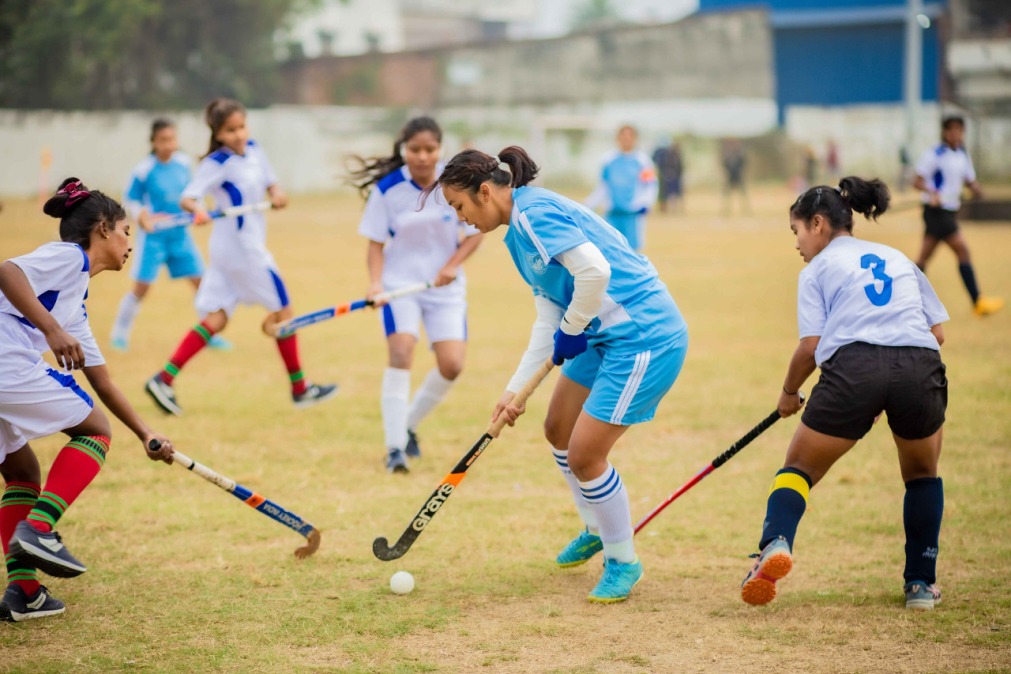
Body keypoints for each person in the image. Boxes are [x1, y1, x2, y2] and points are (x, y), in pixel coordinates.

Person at [430, 146, 688, 603]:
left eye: (459, 205)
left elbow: (595, 272)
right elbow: (550, 316)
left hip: (641, 334)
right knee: (558, 429)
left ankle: (623, 560)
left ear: (485, 192)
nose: (460, 218)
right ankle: (596, 527)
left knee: (586, 455)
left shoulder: (534, 214)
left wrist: (571, 330)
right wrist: (514, 390)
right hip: (597, 332)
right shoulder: (516, 235)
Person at [740, 177, 950, 611]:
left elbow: (811, 348)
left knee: (797, 469)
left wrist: (788, 393)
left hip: (855, 368)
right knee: (922, 476)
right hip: (919, 364)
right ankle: (920, 584)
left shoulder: (816, 270)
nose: (797, 243)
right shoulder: (898, 258)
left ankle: (775, 543)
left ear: (817, 223)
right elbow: (939, 333)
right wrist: (889, 387)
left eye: (797, 231)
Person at [0, 178, 175, 622]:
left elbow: (103, 381)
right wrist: (52, 331)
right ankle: (39, 528)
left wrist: (146, 433)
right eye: (126, 232)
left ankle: (25, 594)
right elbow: (7, 271)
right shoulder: (69, 257)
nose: (129, 243)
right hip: (6, 361)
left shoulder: (75, 301)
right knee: (94, 430)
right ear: (102, 229)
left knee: (21, 471)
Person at [144, 98, 336, 416]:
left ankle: (163, 379)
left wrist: (277, 194)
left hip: (234, 250)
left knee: (217, 318)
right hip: (242, 251)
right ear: (218, 134)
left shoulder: (255, 150)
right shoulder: (216, 163)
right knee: (285, 311)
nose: (239, 134)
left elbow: (272, 183)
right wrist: (199, 210)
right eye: (230, 130)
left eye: (242, 127)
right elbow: (188, 199)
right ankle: (300, 388)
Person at [349, 117, 483, 473]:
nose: (423, 157)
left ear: (440, 148)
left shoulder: (454, 182)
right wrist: (375, 284)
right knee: (401, 351)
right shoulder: (387, 189)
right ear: (403, 149)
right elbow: (375, 244)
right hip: (399, 287)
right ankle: (394, 449)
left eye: (430, 149)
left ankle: (406, 425)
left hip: (445, 289)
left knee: (452, 366)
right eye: (415, 149)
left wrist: (452, 265)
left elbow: (476, 233)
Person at [110, 118, 231, 352]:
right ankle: (120, 334)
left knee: (202, 284)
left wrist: (198, 211)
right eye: (163, 140)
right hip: (154, 239)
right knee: (141, 288)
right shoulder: (144, 169)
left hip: (181, 236)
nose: (168, 144)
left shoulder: (184, 164)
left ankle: (210, 334)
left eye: (172, 139)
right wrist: (142, 216)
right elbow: (131, 200)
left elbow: (193, 194)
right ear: (153, 142)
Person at [913, 115, 1002, 317]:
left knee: (923, 259)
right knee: (963, 251)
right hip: (937, 212)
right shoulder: (935, 154)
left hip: (949, 212)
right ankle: (978, 301)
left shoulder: (962, 153)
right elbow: (917, 181)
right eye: (951, 129)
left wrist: (976, 188)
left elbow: (969, 179)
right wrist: (932, 192)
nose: (955, 133)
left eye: (959, 130)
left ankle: (903, 298)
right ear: (944, 132)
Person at [585, 125, 658, 251]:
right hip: (612, 213)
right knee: (611, 248)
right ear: (618, 138)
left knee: (632, 251)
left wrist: (646, 203)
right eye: (623, 136)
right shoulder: (608, 160)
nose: (626, 139)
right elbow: (602, 187)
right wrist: (588, 205)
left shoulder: (643, 161)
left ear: (635, 139)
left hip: (633, 214)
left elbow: (650, 185)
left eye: (630, 136)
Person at [652, 139, 684, 213]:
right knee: (666, 193)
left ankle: (671, 207)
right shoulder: (666, 154)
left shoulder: (672, 154)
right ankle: (664, 207)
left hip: (672, 176)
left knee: (672, 193)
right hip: (666, 176)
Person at [722, 138, 749, 214]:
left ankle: (745, 209)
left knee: (742, 193)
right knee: (727, 194)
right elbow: (724, 164)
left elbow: (743, 163)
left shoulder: (739, 153)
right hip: (730, 175)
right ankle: (726, 209)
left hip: (738, 175)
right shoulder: (727, 153)